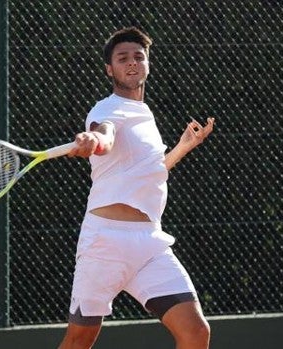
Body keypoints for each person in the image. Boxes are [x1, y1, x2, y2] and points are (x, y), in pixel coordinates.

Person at [60, 27, 215, 349]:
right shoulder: (107, 109)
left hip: (149, 244)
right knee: (79, 341)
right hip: (105, 242)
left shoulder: (144, 114)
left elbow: (149, 172)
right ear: (109, 69)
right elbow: (105, 133)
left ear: (147, 64)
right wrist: (95, 140)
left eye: (138, 57)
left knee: (195, 332)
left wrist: (182, 148)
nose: (132, 63)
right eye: (122, 58)